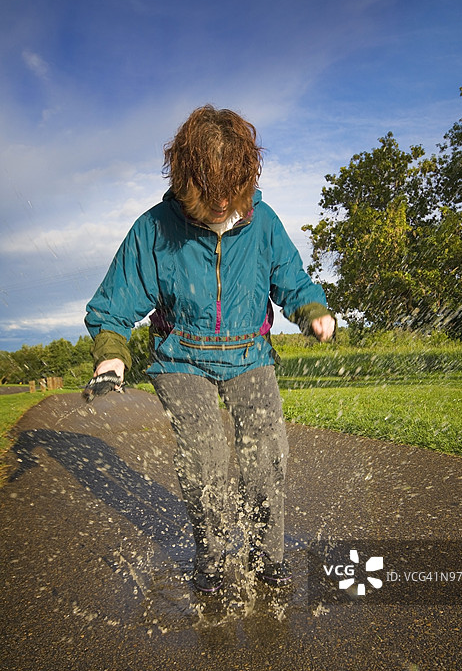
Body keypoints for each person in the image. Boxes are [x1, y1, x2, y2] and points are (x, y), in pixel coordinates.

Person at [85, 105, 335, 594]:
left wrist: (311, 310)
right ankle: (216, 562)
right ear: (184, 179)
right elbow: (113, 304)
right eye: (208, 191)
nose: (222, 203)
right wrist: (111, 354)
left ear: (246, 177)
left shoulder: (263, 223)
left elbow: (291, 278)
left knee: (266, 456)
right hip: (180, 357)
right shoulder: (154, 229)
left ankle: (268, 559)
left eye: (231, 190)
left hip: (249, 354)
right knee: (207, 457)